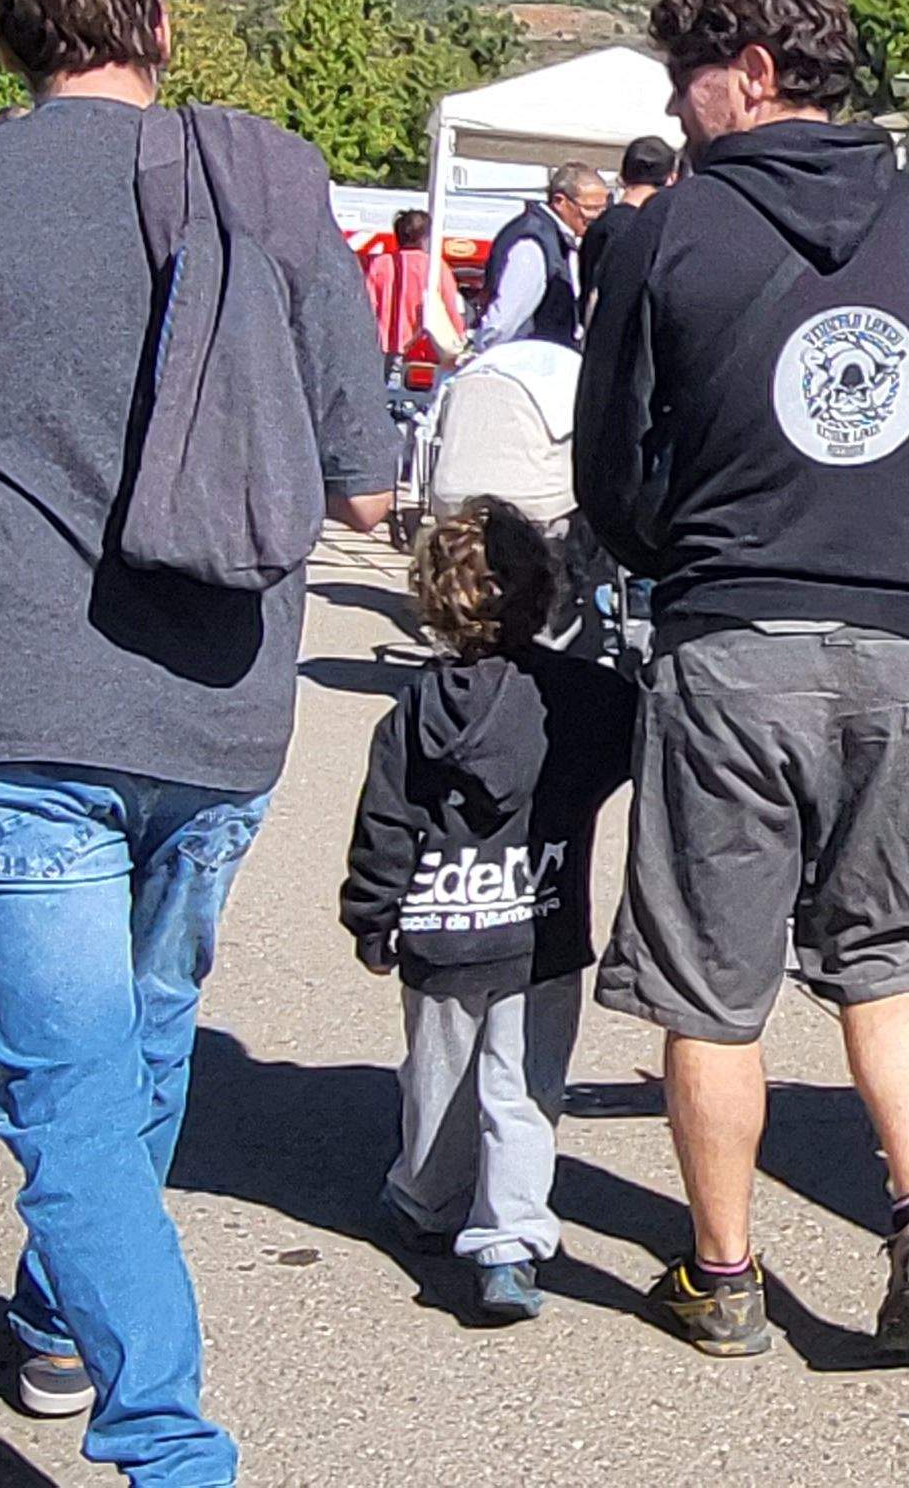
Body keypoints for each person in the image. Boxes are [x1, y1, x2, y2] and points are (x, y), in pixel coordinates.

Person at [0, 0, 396, 1486]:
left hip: (21, 708)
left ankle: (167, 1444)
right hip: (224, 711)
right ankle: (48, 1318)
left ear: (10, 34)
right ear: (159, 23)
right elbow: (363, 490)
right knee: (147, 1041)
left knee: (76, 1093)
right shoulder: (274, 186)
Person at [573, 0, 909, 1358]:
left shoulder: (664, 233)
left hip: (735, 636)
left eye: (688, 83)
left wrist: (665, 547)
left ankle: (725, 1272)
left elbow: (611, 470)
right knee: (891, 952)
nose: (680, 113)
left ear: (751, 71)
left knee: (712, 977)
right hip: (906, 642)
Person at [340, 497, 632, 1325]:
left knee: (435, 1077)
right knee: (524, 1089)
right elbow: (641, 745)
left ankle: (428, 1199)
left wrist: (373, 914)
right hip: (541, 929)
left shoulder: (416, 711)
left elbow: (385, 820)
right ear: (543, 593)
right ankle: (508, 1243)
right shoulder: (586, 701)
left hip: (439, 929)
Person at [473, 163, 606, 352]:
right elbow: (502, 323)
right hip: (525, 364)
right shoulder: (532, 242)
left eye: (602, 209)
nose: (598, 217)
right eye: (590, 208)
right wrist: (479, 352)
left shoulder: (557, 239)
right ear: (560, 201)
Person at [571, 135, 678, 334]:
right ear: (671, 179)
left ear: (623, 175)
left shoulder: (599, 226)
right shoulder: (653, 230)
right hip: (628, 345)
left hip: (594, 340)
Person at [365, 207, 468, 386]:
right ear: (426, 237)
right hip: (426, 348)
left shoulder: (381, 264)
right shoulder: (435, 267)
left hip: (384, 348)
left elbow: (367, 305)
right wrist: (460, 339)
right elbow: (450, 306)